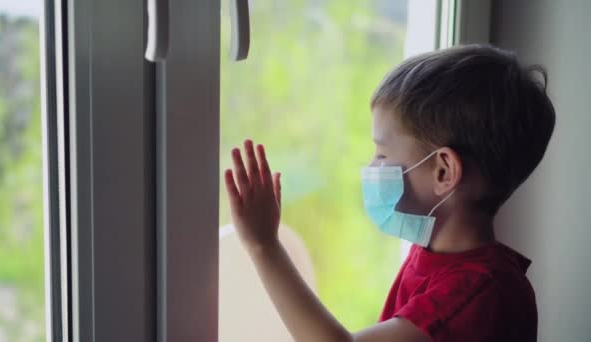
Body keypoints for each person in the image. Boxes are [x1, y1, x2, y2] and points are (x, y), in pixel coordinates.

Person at [223, 44, 555, 342]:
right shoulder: (436, 257)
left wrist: (263, 245)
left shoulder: (480, 294)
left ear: (443, 171)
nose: (371, 167)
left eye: (382, 154)